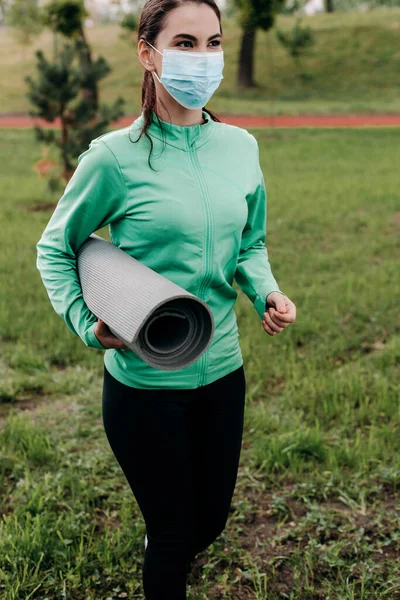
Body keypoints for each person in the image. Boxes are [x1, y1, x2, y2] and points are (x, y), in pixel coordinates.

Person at [36, 0, 297, 597]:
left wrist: (266, 292)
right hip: (143, 386)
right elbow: (56, 248)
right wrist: (85, 321)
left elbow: (249, 242)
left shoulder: (241, 147)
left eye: (213, 42)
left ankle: (168, 541)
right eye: (184, 43)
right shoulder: (111, 158)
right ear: (148, 53)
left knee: (211, 522)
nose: (203, 58)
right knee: (176, 533)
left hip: (223, 372)